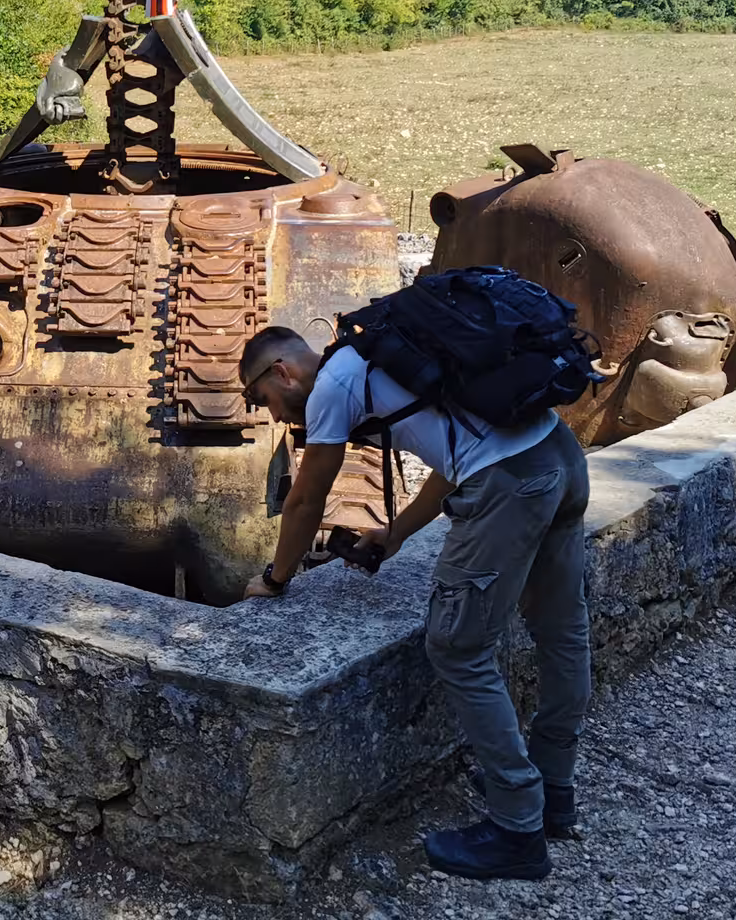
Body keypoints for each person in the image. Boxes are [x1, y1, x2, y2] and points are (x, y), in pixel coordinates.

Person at [237, 325, 590, 883]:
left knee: (459, 647)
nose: (276, 417)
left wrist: (275, 579)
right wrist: (397, 533)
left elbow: (306, 499)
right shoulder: (387, 357)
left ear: (281, 371)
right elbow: (459, 450)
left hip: (512, 485)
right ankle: (553, 788)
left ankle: (518, 829)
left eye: (262, 400)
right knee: (562, 631)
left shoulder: (332, 386)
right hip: (559, 456)